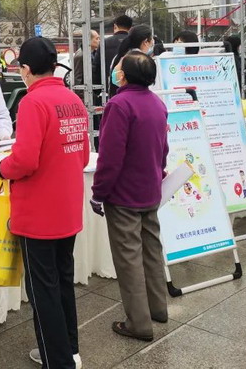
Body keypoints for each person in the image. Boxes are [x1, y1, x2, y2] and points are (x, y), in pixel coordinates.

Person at [0, 37, 88, 369]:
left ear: (25, 69)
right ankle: (70, 351)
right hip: (66, 210)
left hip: (38, 216)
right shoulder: (72, 99)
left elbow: (24, 161)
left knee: (42, 292)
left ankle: (57, 361)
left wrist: (1, 167)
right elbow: (80, 156)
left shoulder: (32, 103)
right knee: (63, 281)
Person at [90, 51, 169, 342]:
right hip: (150, 190)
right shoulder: (157, 103)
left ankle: (138, 323)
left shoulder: (120, 105)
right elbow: (163, 149)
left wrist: (99, 193)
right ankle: (158, 308)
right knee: (151, 251)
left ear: (124, 75)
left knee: (128, 259)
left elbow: (110, 157)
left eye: (119, 68)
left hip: (124, 195)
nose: (116, 72)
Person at [107, 25, 154, 99]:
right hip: (135, 100)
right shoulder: (139, 61)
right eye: (151, 39)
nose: (152, 43)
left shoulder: (121, 56)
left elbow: (114, 79)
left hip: (120, 98)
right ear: (145, 42)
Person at [93, 15, 132, 95]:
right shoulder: (135, 42)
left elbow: (96, 67)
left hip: (110, 88)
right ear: (130, 28)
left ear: (115, 26)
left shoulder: (105, 43)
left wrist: (97, 91)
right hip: (130, 88)